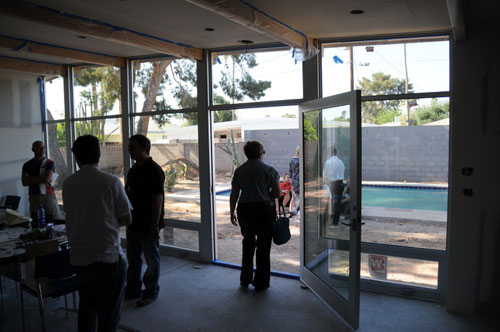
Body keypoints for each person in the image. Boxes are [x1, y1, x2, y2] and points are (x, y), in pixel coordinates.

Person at [62, 135, 132, 332]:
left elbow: (75, 215)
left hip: (80, 258)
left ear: (76, 157)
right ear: (99, 155)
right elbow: (127, 219)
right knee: (109, 315)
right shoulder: (111, 182)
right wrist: (107, 221)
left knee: (86, 310)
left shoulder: (68, 184)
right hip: (107, 258)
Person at [230, 141, 281, 291]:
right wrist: (267, 193)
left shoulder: (239, 171)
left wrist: (231, 211)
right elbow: (277, 193)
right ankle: (261, 283)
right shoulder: (270, 170)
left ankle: (245, 279)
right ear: (260, 153)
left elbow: (234, 194)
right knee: (264, 247)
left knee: (248, 243)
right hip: (264, 211)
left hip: (245, 210)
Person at [125, 134, 165, 307]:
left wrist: (154, 225)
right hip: (133, 223)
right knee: (133, 258)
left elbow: (157, 199)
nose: (129, 150)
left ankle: (151, 291)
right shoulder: (133, 170)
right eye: (129, 147)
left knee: (152, 259)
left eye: (132, 147)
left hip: (149, 224)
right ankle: (133, 289)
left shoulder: (154, 170)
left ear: (143, 149)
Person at [21, 140, 61, 220]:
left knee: (54, 219)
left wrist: (31, 178)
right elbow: (24, 182)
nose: (42, 150)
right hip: (34, 196)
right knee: (36, 220)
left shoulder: (49, 163)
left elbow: (46, 179)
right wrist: (41, 178)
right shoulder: (27, 165)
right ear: (33, 150)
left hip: (48, 195)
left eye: (43, 148)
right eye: (39, 148)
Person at [322, 147, 345, 225]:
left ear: (329, 153)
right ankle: (335, 221)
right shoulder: (341, 162)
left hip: (332, 184)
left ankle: (329, 219)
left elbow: (324, 175)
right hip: (340, 183)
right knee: (337, 203)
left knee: (329, 202)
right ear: (336, 153)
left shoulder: (328, 162)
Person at [289, 146, 300, 216]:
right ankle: (298, 212)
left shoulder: (292, 160)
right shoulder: (300, 160)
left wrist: (291, 178)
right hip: (299, 180)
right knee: (301, 197)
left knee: (293, 197)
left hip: (293, 180)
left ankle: (290, 211)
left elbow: (290, 171)